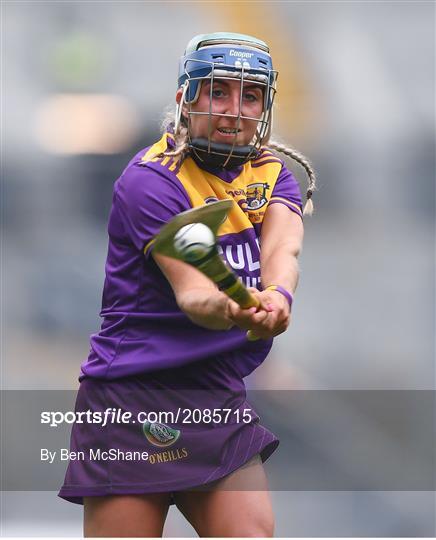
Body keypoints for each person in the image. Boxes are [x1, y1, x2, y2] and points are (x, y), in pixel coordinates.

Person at [59, 32, 316, 537]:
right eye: (218, 91)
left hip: (217, 394)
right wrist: (233, 311)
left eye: (250, 96)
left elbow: (282, 249)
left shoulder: (271, 174)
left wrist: (278, 297)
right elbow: (194, 292)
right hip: (132, 398)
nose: (234, 110)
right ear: (186, 99)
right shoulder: (151, 180)